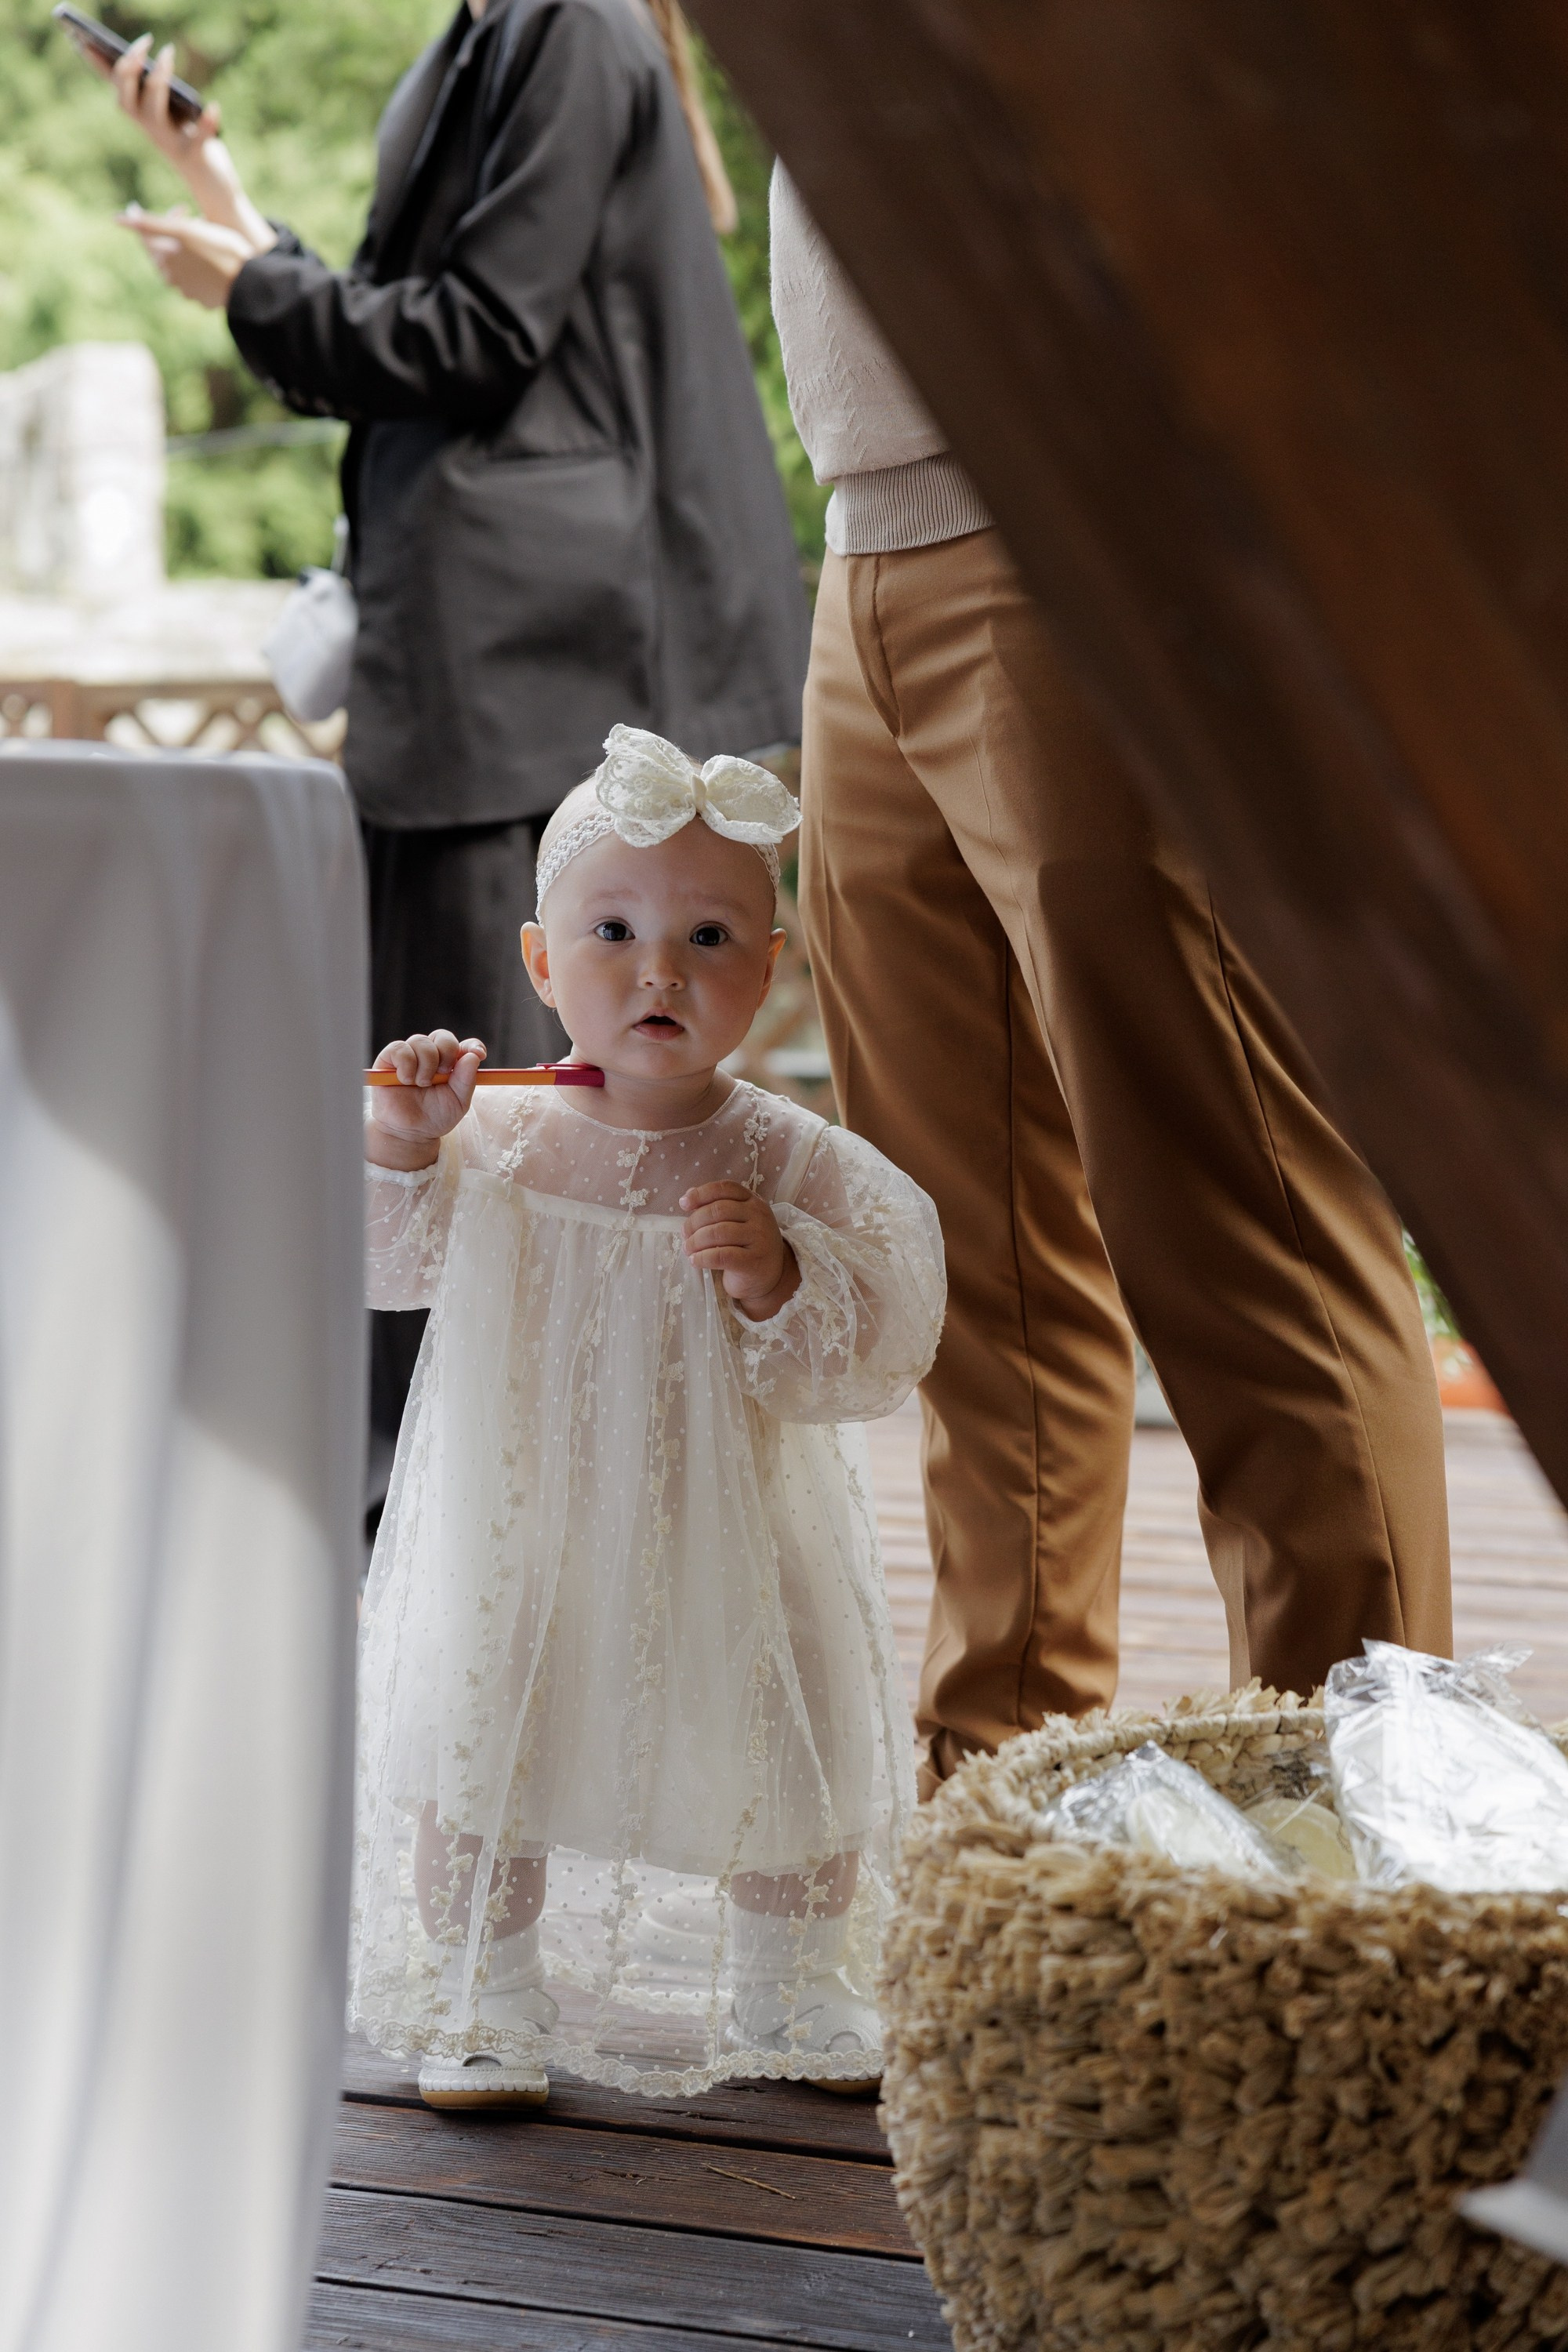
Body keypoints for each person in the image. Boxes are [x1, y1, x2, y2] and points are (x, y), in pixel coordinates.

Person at [769, 167, 1453, 1798]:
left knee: (1244, 1229)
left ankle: (1356, 1833)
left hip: (1080, 521)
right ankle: (997, 1800)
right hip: (862, 544)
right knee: (965, 1266)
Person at [103, 2, 810, 1487]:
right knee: (424, 1095)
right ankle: (420, 1503)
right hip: (465, 660)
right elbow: (404, 311)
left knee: (494, 1104)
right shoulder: (478, 41)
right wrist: (238, 221)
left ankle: (484, 1494)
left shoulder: (573, 28)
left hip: (539, 658)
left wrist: (253, 287)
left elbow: (476, 337)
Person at [355, 724, 943, 2107]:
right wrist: (402, 1138)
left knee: (790, 1723)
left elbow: (881, 1341)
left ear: (772, 975)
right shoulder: (498, 1133)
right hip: (527, 1523)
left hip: (732, 1526)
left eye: (711, 936)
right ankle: (482, 1991)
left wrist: (779, 1274)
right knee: (483, 1729)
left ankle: (790, 1981)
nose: (660, 968)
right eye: (612, 930)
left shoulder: (792, 1159)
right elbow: (385, 1265)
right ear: (543, 962)